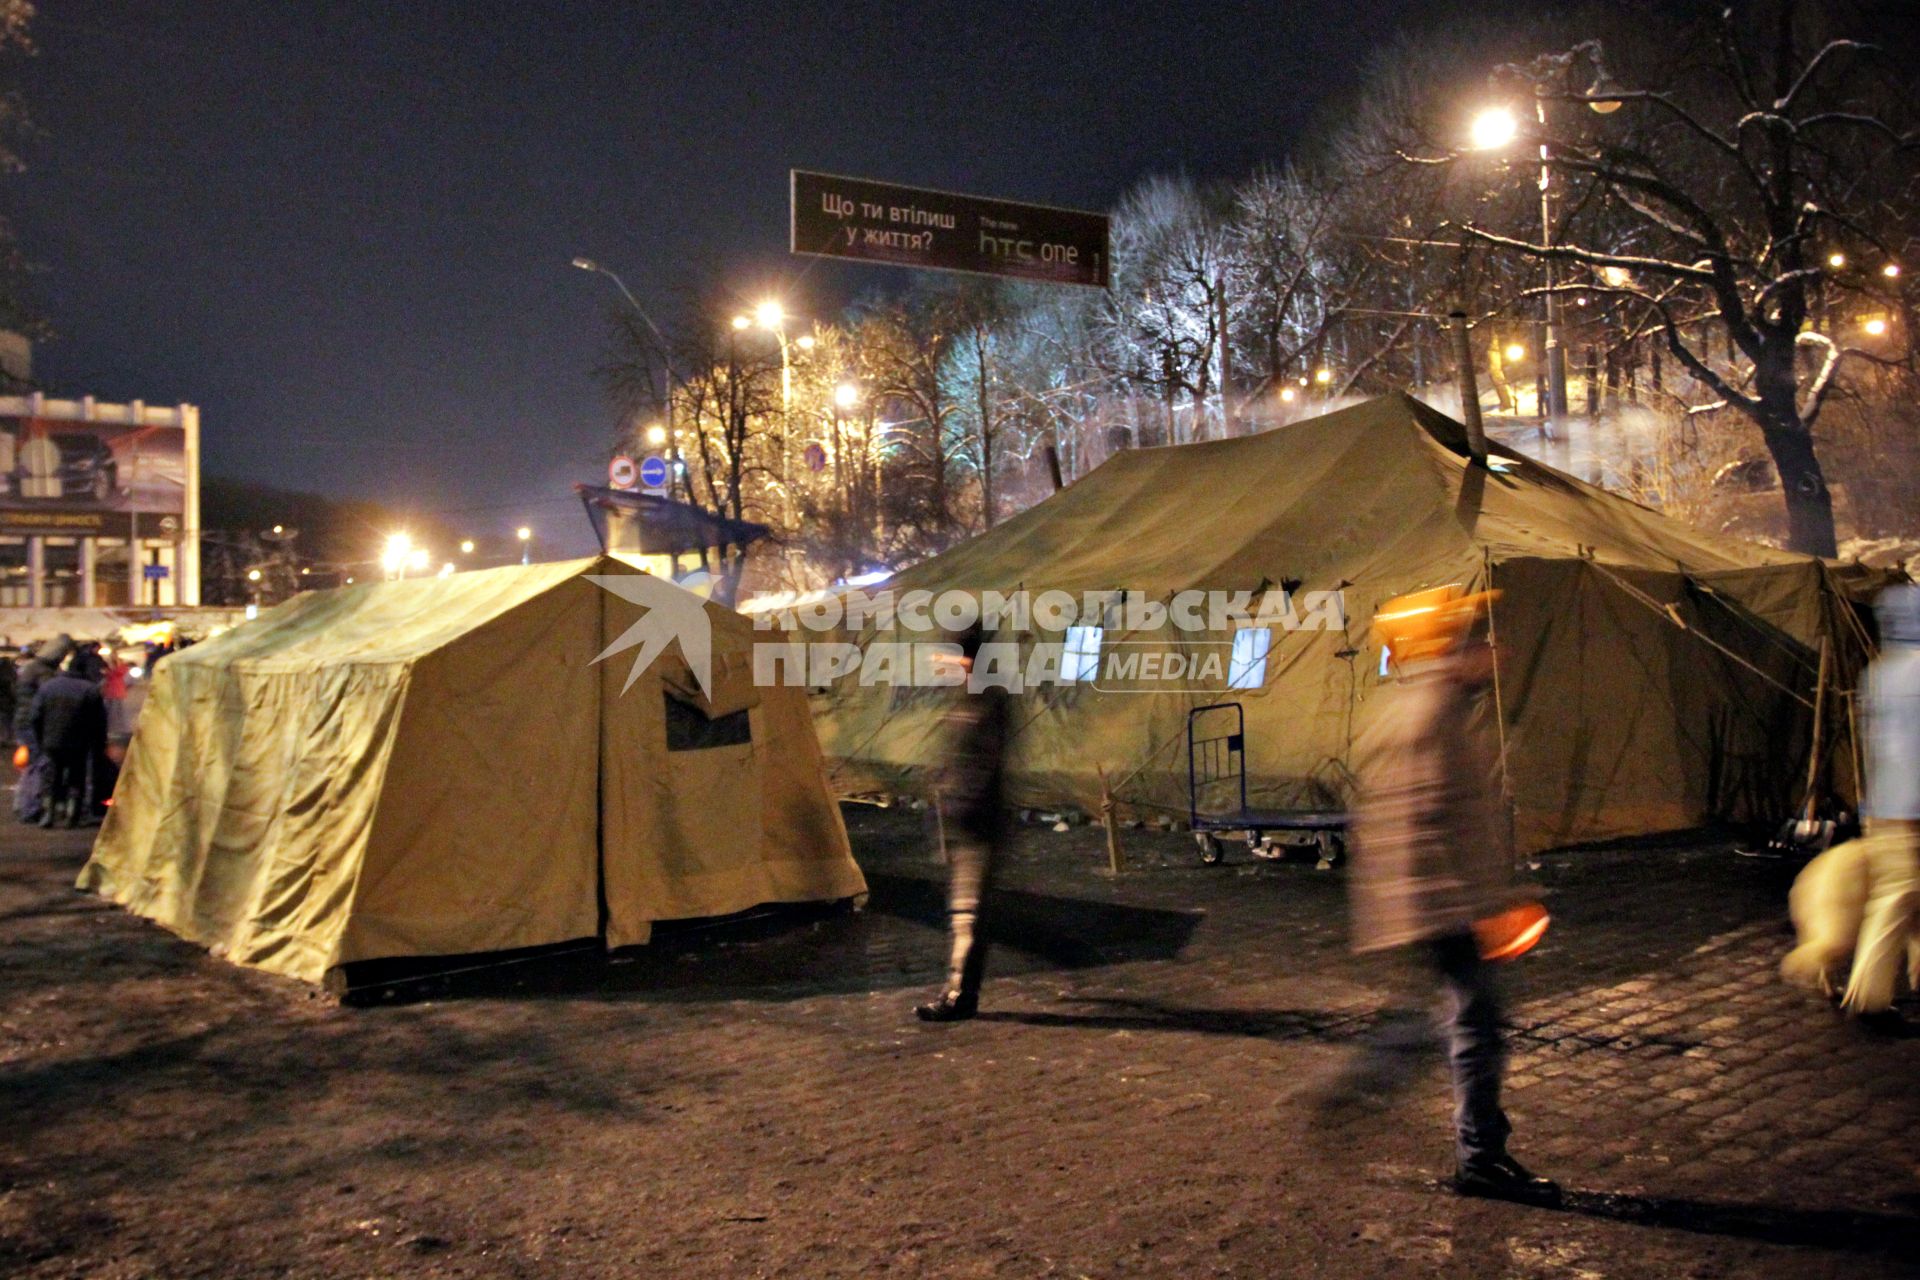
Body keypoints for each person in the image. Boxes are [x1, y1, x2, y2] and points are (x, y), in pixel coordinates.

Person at [1344, 586, 1560, 1204]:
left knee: (1465, 1024)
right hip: (1442, 908)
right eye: (1476, 639)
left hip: (1439, 906)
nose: (1492, 650)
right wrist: (1483, 909)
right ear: (1444, 648)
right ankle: (1476, 1157)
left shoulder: (1434, 705)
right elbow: (1425, 828)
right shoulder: (1431, 716)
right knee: (1473, 1029)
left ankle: (1476, 1149)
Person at [916, 624, 1012, 1023]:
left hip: (978, 821)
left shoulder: (988, 700)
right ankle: (959, 990)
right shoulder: (971, 696)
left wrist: (963, 804)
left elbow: (983, 764)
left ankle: (959, 996)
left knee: (969, 914)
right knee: (966, 912)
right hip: (965, 820)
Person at [1841, 583, 1920, 1021]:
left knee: (1901, 898)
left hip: (1886, 805)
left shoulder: (1880, 670)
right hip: (1911, 810)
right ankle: (1867, 999)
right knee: (1897, 901)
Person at [29, 652, 109, 829]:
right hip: (79, 743)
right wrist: (99, 745)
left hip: (51, 741)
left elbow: (35, 715)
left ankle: (48, 813)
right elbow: (99, 721)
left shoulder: (48, 687)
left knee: (52, 776)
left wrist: (40, 738)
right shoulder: (90, 689)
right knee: (76, 777)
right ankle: (72, 816)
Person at [12, 635, 73, 824]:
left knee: (32, 764)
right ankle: (30, 806)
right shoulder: (43, 672)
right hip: (34, 723)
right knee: (39, 763)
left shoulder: (30, 668)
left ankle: (23, 804)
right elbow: (49, 696)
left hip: (24, 720)